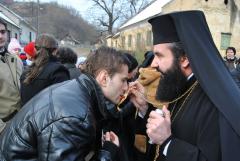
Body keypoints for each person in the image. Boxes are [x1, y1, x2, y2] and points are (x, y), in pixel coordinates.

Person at [0, 46, 129, 161]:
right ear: (104, 78)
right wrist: (107, 154)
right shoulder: (75, 116)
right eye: (123, 80)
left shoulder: (76, 89)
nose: (126, 87)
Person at [144, 10, 240, 161]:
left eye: (159, 55)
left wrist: (168, 143)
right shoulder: (180, 85)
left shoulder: (213, 104)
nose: (153, 64)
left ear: (184, 59)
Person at [20, 34, 70, 106]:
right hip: (48, 117)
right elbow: (62, 103)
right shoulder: (59, 71)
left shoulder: (26, 71)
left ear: (35, 49)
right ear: (55, 50)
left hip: (27, 116)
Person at [0, 19, 23, 132]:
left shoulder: (16, 59)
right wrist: (3, 129)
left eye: (3, 32)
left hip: (21, 119)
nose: (0, 36)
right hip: (4, 126)